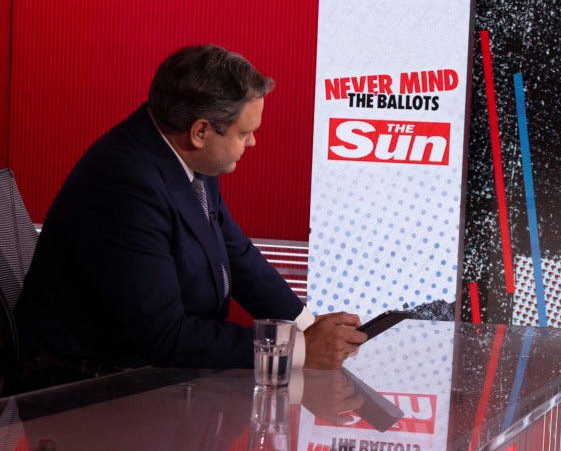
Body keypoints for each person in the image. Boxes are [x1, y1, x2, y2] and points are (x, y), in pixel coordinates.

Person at [13, 44, 365, 389]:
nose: (253, 142)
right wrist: (294, 349)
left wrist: (306, 325)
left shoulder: (185, 156)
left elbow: (236, 253)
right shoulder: (125, 184)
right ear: (200, 132)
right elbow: (166, 336)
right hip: (85, 390)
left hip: (148, 373)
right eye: (244, 133)